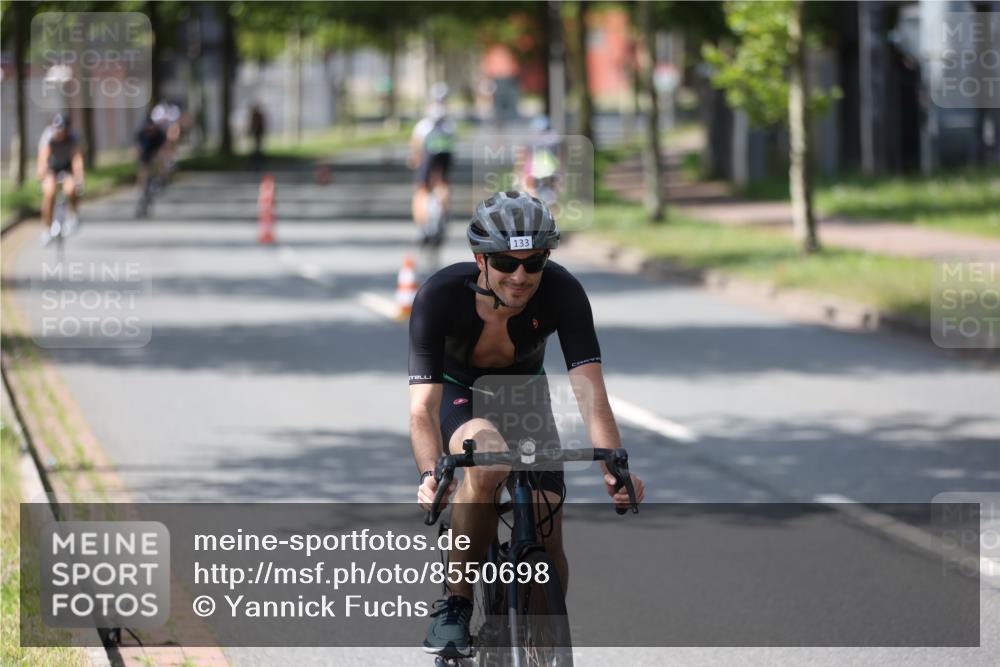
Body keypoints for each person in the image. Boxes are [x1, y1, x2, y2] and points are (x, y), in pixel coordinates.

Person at [408, 191, 645, 658]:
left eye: (534, 263)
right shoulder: (438, 296)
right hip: (462, 394)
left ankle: (542, 644)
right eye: (505, 262)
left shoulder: (563, 291)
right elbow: (422, 410)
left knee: (546, 521)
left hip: (524, 397)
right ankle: (455, 603)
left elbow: (590, 389)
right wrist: (431, 472)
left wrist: (614, 467)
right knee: (488, 458)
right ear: (481, 259)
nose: (520, 276)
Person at [408, 83, 456, 270]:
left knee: (421, 188)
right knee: (443, 184)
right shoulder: (449, 123)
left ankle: (422, 226)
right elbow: (453, 143)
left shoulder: (426, 122)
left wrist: (414, 158)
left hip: (428, 152)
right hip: (444, 154)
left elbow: (416, 144)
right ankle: (443, 213)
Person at [36, 113, 85, 245]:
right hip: (51, 168)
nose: (59, 133)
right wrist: (42, 174)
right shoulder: (48, 137)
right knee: (49, 192)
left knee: (71, 189)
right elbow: (43, 159)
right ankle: (47, 228)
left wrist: (79, 178)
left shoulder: (73, 137)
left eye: (62, 130)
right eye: (57, 129)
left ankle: (73, 215)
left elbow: (77, 159)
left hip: (67, 168)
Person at [135, 115, 167, 215]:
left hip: (156, 150)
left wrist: (160, 164)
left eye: (152, 129)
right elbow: (138, 150)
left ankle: (161, 178)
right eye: (148, 129)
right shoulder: (141, 134)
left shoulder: (160, 134)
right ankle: (142, 188)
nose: (150, 132)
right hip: (146, 151)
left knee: (159, 160)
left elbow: (163, 150)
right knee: (143, 169)